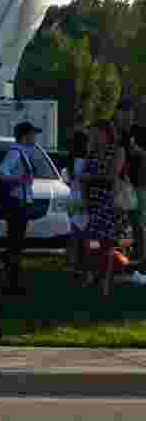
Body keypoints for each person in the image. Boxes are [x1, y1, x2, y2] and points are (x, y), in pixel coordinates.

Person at [81, 119, 128, 297]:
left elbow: (111, 176)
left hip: (109, 204)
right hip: (93, 204)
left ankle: (105, 284)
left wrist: (89, 178)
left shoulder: (117, 151)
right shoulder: (92, 153)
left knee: (107, 245)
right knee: (92, 243)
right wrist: (85, 200)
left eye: (97, 132)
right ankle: (92, 275)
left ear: (106, 133)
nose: (93, 136)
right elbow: (84, 179)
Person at [0, 121, 40, 291]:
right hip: (16, 202)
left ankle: (13, 278)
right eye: (33, 134)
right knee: (15, 242)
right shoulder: (15, 152)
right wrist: (19, 180)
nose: (35, 137)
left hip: (21, 201)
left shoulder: (21, 152)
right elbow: (1, 172)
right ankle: (12, 281)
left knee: (17, 242)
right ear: (25, 135)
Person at [114, 98, 146, 266]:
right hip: (116, 184)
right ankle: (115, 256)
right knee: (115, 221)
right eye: (122, 112)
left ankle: (140, 256)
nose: (126, 116)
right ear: (117, 114)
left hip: (138, 184)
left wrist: (137, 151)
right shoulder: (113, 133)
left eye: (129, 112)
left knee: (137, 222)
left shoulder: (140, 132)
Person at [65, 130, 91, 279]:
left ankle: (72, 265)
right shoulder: (86, 160)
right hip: (82, 198)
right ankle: (85, 266)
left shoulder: (70, 159)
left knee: (74, 235)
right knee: (86, 235)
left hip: (71, 198)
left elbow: (68, 179)